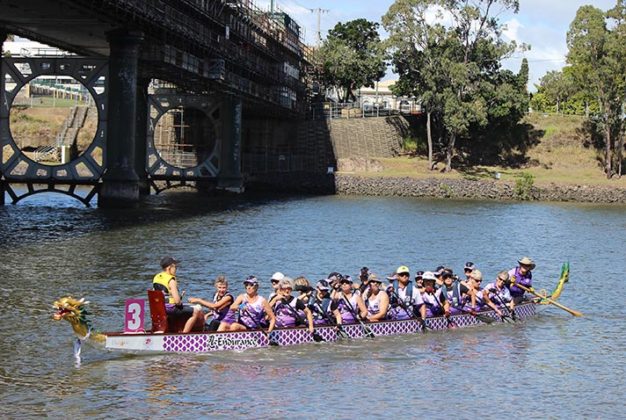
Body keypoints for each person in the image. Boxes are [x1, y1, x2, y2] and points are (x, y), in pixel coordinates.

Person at [152, 256, 204, 333]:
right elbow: (177, 302)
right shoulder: (171, 280)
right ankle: (184, 335)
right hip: (170, 309)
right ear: (169, 268)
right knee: (195, 311)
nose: (176, 270)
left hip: (160, 309)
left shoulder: (156, 277)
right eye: (175, 267)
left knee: (183, 309)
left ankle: (173, 330)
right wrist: (180, 301)